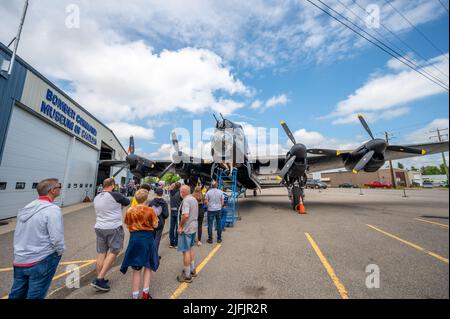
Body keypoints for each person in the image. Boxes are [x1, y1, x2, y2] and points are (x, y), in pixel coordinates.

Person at [9, 178, 65, 299]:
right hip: (42, 259)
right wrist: (59, 252)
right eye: (59, 186)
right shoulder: (52, 210)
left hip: (21, 258)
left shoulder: (28, 207)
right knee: (36, 295)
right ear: (52, 190)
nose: (60, 188)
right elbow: (57, 238)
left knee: (17, 293)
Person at [91, 177, 130, 292]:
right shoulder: (115, 195)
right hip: (113, 227)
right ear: (112, 185)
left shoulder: (97, 197)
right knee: (114, 250)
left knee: (101, 253)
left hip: (99, 227)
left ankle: (100, 278)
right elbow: (127, 202)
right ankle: (99, 278)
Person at [120, 189, 159, 299]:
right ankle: (145, 294)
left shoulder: (130, 210)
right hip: (147, 239)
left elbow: (127, 225)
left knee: (136, 269)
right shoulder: (150, 210)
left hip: (135, 240)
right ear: (146, 199)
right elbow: (155, 225)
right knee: (148, 265)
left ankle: (135, 295)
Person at [177, 185, 198, 283]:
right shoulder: (194, 199)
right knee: (191, 248)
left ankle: (187, 275)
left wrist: (180, 226)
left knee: (185, 251)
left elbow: (185, 216)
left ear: (183, 192)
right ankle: (192, 269)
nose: (180, 193)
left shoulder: (186, 201)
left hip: (187, 228)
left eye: (180, 191)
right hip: (193, 227)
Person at [148, 187, 169, 257]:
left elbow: (148, 213)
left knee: (152, 238)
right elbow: (166, 215)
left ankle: (150, 253)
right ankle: (154, 255)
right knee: (157, 238)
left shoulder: (151, 203)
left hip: (152, 223)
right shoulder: (164, 203)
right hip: (160, 223)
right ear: (162, 194)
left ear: (155, 193)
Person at [169, 182, 182, 248]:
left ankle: (171, 243)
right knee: (177, 227)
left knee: (171, 227)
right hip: (178, 211)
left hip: (172, 210)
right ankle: (176, 243)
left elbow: (171, 188)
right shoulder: (180, 193)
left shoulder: (171, 192)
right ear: (180, 187)